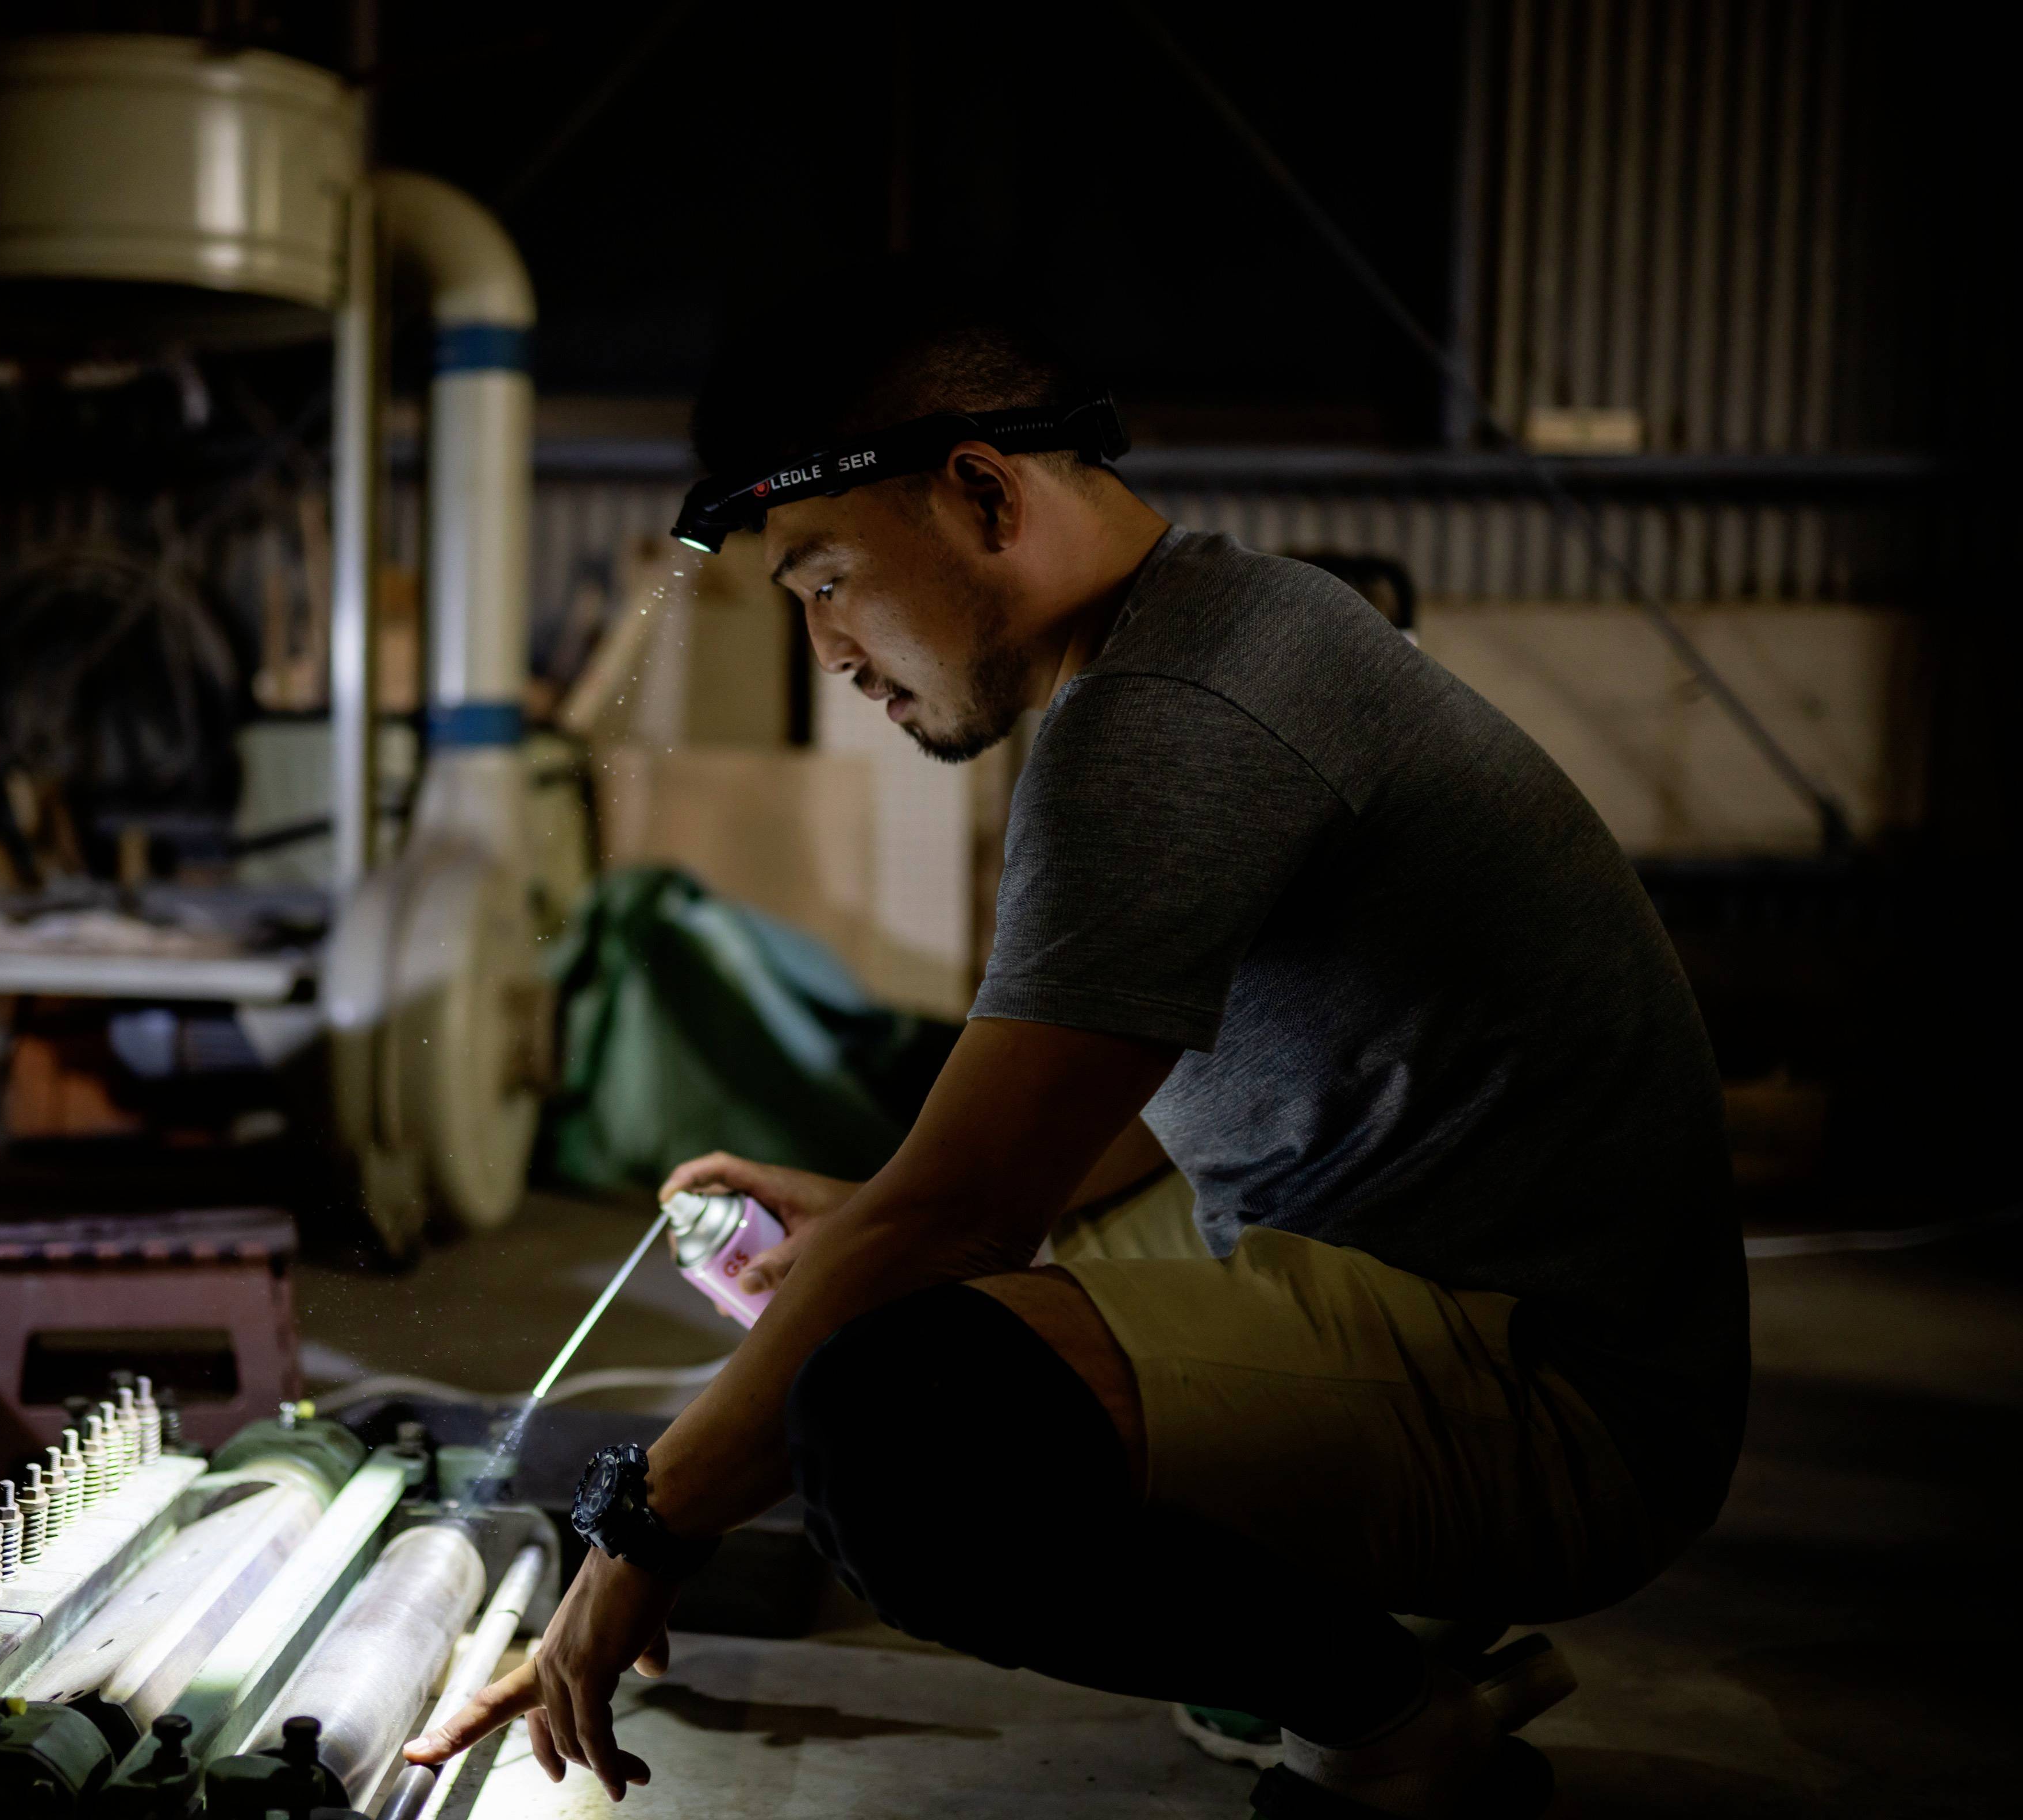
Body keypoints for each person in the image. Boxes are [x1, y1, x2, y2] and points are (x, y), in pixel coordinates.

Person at [402, 281, 1748, 1818]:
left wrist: (638, 1530)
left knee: (896, 1426)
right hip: (1477, 1290)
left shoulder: (1169, 717)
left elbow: (964, 1211)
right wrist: (875, 1214)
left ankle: (1386, 1718)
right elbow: (1069, 1133)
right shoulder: (1214, 636)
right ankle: (1346, 1634)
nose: (830, 644)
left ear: (981, 490)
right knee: (909, 1285)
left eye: (829, 578)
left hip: (1568, 1406)